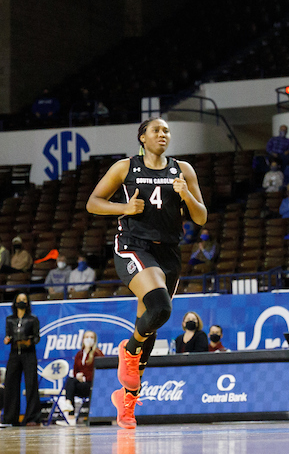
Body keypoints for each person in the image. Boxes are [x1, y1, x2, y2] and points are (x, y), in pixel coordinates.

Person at [86, 117, 206, 429]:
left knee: (150, 325)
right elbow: (93, 203)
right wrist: (122, 209)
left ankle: (125, 402)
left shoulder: (183, 170)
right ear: (143, 137)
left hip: (168, 252)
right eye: (156, 130)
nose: (163, 134)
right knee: (161, 307)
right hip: (133, 245)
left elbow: (201, 217)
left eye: (167, 130)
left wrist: (186, 194)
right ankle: (130, 348)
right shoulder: (125, 167)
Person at [2, 294, 40, 426]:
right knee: (11, 384)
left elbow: (37, 337)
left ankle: (32, 418)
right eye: (19, 300)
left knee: (31, 385)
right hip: (14, 353)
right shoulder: (9, 319)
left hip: (29, 354)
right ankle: (10, 418)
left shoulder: (32, 319)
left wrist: (30, 342)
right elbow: (8, 334)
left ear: (28, 303)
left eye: (24, 300)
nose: (21, 302)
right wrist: (7, 340)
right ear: (15, 302)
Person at [60, 329, 98, 424]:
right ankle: (71, 417)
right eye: (87, 337)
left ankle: (69, 406)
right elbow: (76, 370)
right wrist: (77, 375)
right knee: (70, 382)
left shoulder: (97, 354)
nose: (89, 339)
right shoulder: (79, 354)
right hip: (80, 384)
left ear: (95, 340)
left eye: (91, 337)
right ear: (83, 339)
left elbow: (98, 372)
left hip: (91, 385)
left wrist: (85, 378)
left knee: (71, 383)